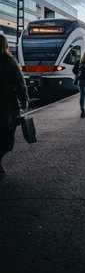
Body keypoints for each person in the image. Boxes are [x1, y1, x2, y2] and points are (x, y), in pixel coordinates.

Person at [0, 35, 29, 174]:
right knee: (7, 135)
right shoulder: (9, 61)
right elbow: (19, 83)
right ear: (6, 46)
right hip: (5, 104)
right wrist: (24, 101)